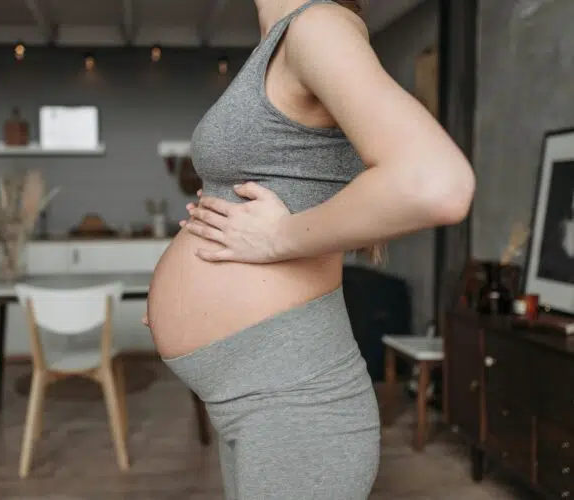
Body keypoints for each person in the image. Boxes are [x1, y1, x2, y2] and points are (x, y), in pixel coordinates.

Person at [144, 0, 475, 498]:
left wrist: (278, 238)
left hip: (292, 401)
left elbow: (437, 184)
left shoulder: (316, 26)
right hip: (256, 397)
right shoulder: (284, 39)